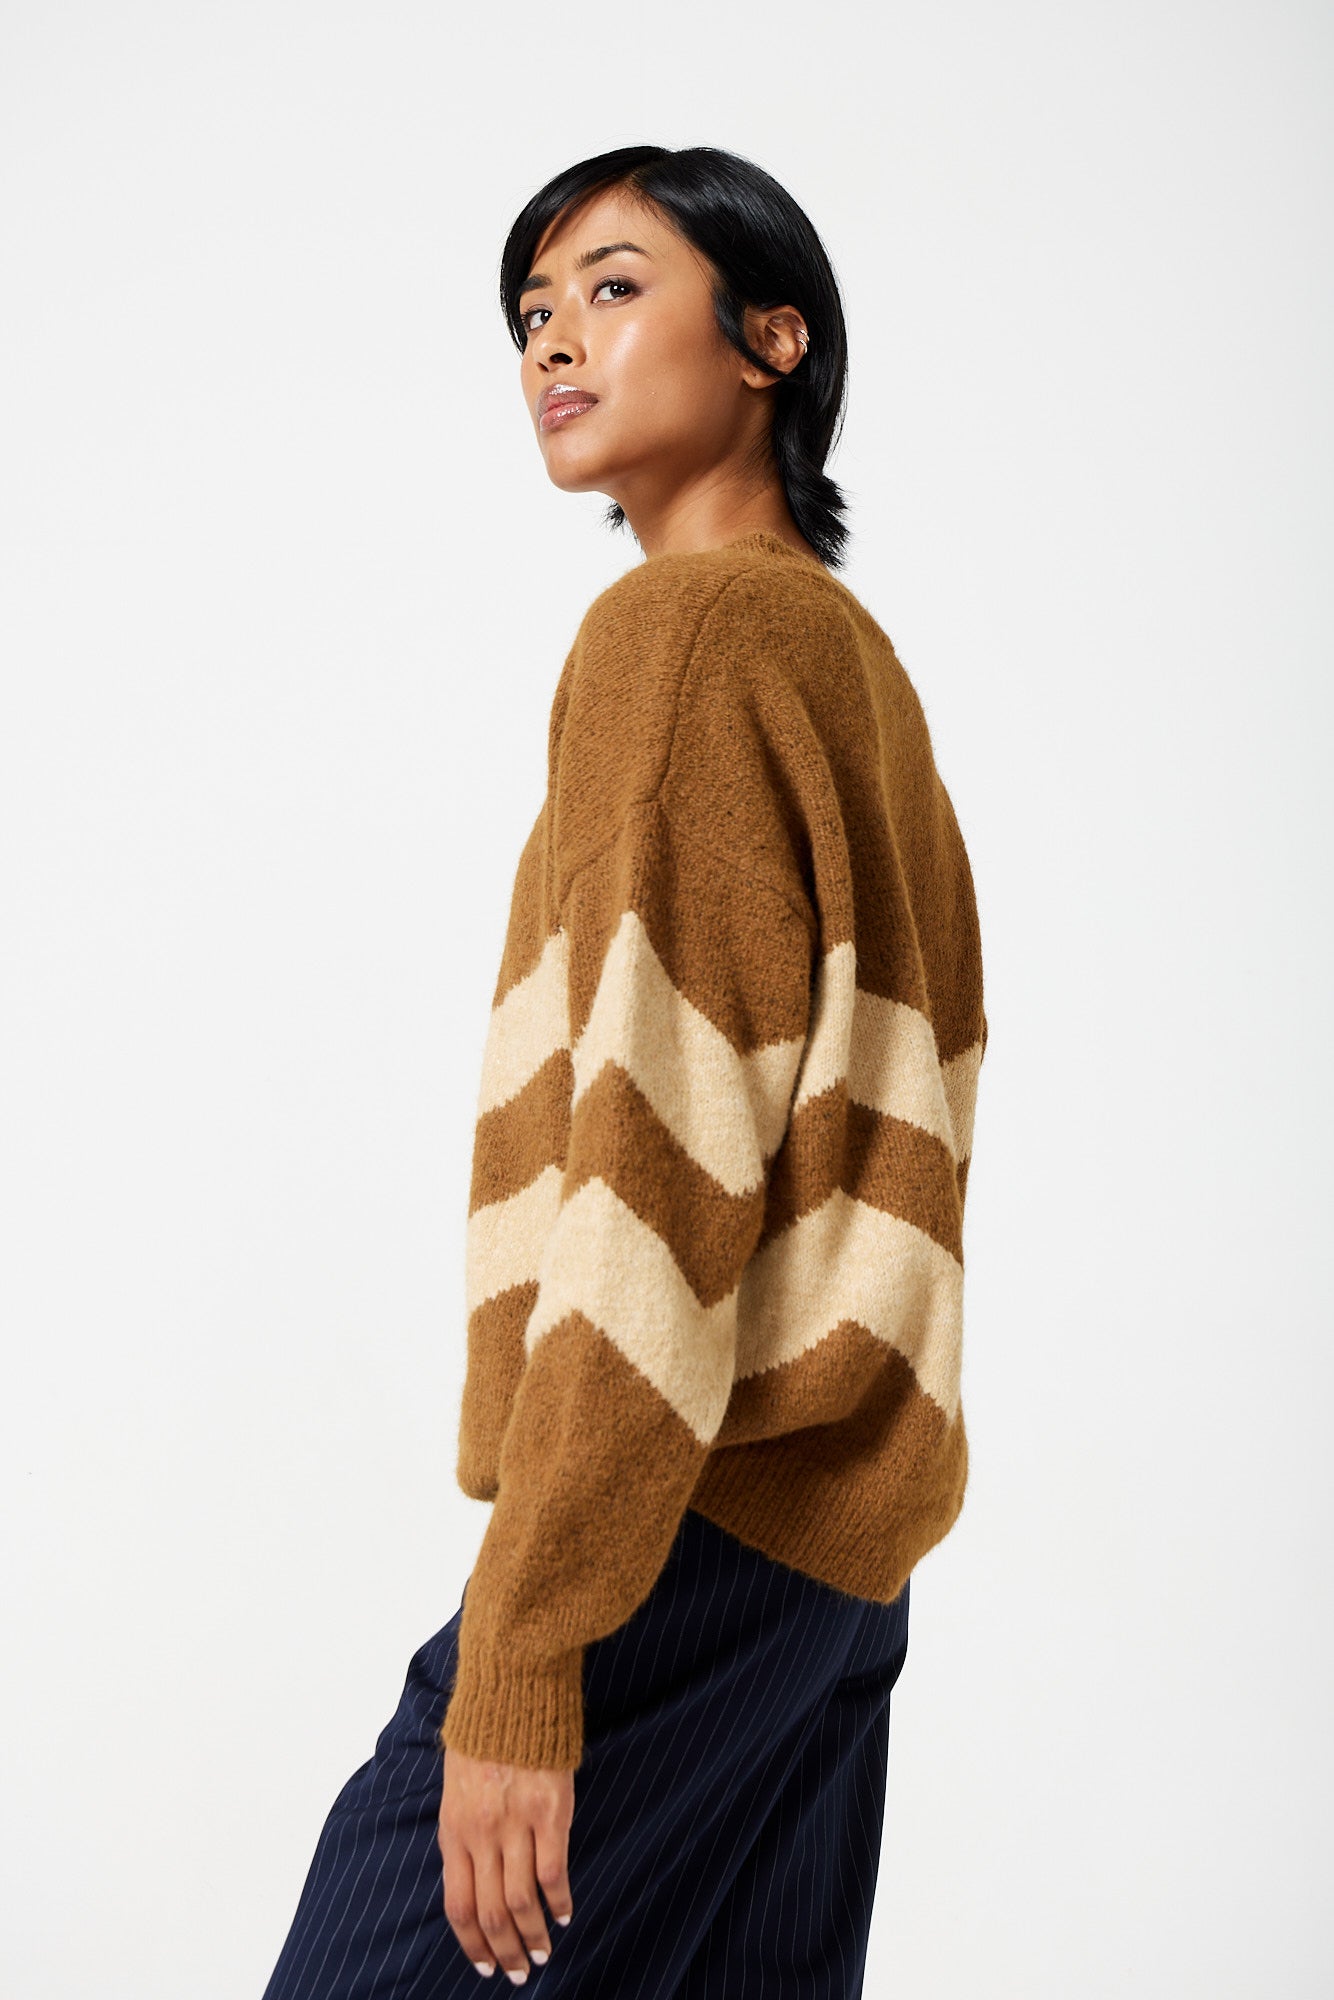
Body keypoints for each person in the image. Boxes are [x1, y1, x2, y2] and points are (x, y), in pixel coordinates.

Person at [261, 142, 987, 1999]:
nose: (552, 343)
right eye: (530, 313)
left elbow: (660, 1159)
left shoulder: (682, 635)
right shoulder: (853, 666)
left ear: (770, 339)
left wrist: (527, 1649)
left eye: (609, 286)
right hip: (837, 1558)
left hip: (681, 1520)